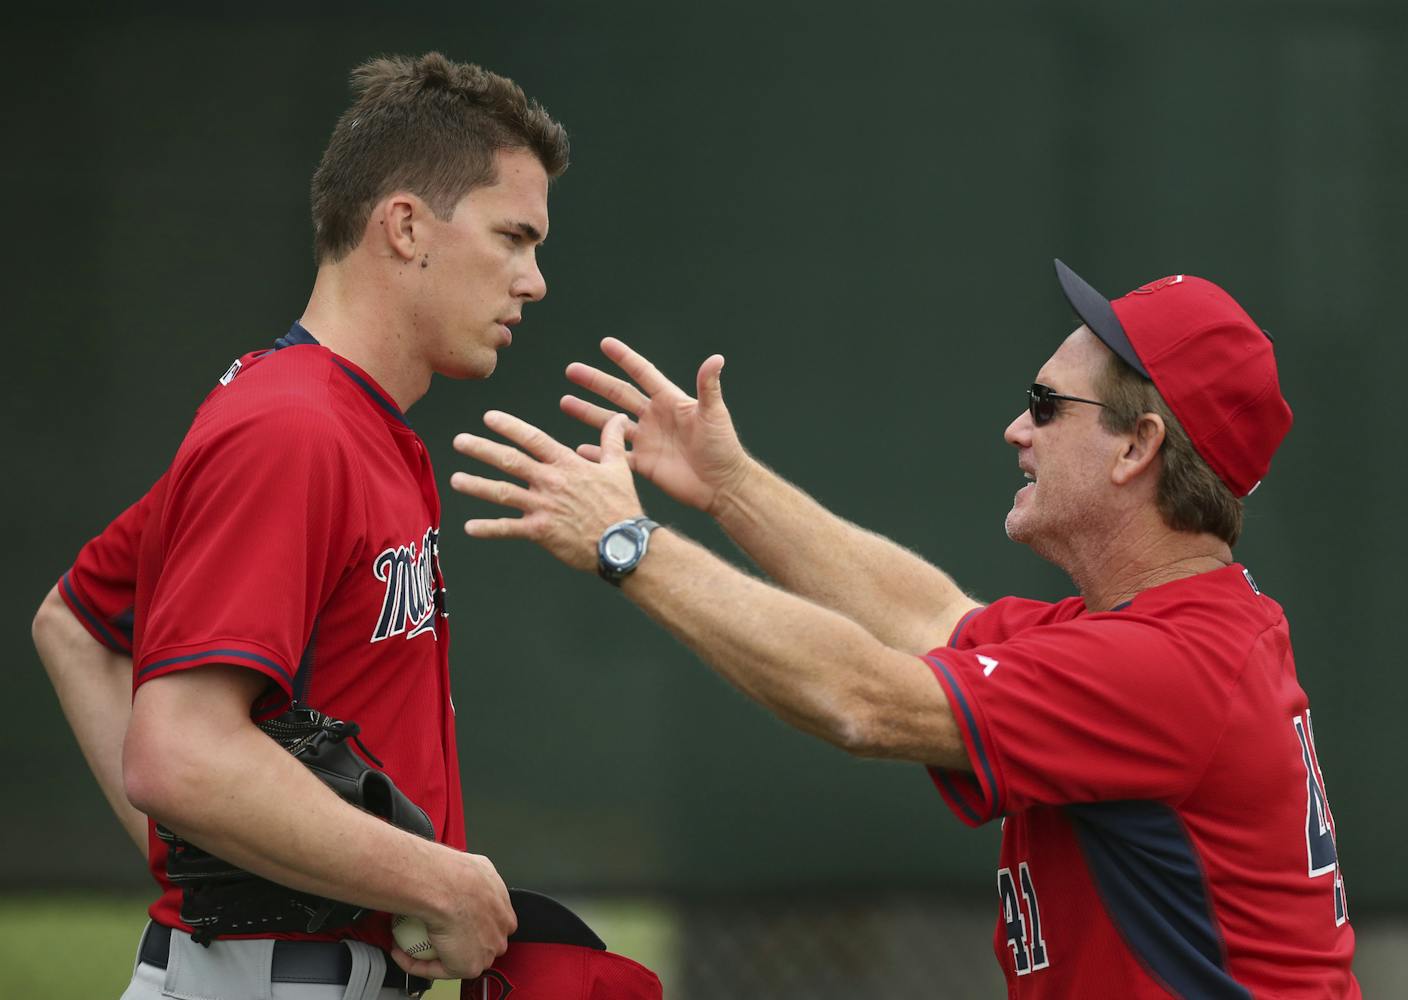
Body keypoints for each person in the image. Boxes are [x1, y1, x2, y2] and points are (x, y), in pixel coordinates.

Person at [449, 260, 1361, 996]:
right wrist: (732, 489)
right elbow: (931, 616)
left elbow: (864, 701)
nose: (1017, 429)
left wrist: (628, 543)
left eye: (1046, 405)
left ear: (1138, 447)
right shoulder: (1161, 633)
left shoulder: (1167, 668)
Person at [32, 52, 567, 998]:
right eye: (514, 237)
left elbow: (76, 621)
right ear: (405, 226)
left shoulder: (335, 419)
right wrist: (432, 879)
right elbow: (179, 754)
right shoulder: (292, 430)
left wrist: (222, 857)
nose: (534, 281)